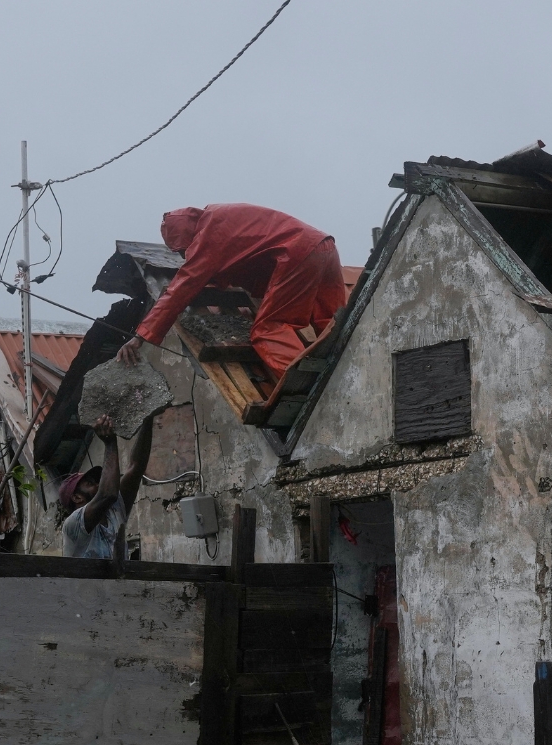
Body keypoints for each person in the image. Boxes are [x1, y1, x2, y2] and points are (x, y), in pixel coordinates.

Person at [116, 204, 348, 381]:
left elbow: (181, 289)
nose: (184, 256)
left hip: (298, 254)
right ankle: (348, 368)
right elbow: (249, 266)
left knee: (269, 329)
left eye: (182, 250)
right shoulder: (223, 219)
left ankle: (305, 382)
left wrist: (140, 337)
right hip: (324, 247)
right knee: (335, 323)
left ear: (188, 238)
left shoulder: (208, 236)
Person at [60, 413, 153, 559]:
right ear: (77, 497)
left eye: (98, 481)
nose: (98, 485)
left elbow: (136, 468)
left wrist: (147, 418)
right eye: (90, 484)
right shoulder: (73, 524)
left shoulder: (114, 512)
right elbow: (108, 494)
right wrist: (110, 443)